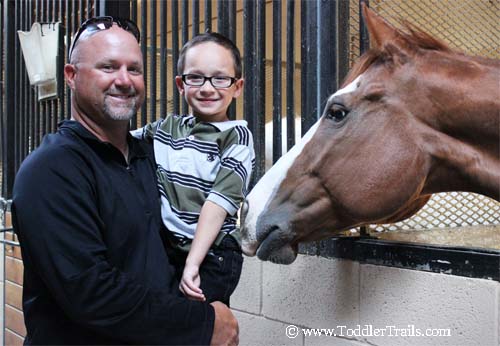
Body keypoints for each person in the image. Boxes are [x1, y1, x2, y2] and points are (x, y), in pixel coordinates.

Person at [12, 17, 238, 345]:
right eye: (108, 67)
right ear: (71, 76)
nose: (124, 80)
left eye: (134, 69)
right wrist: (203, 324)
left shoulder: (154, 156)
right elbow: (92, 293)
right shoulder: (49, 171)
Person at [132, 32, 255, 306]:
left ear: (237, 87)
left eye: (220, 79)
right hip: (170, 250)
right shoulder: (166, 129)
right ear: (180, 84)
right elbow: (122, 142)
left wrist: (193, 263)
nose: (207, 88)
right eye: (196, 77)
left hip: (212, 255)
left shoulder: (236, 138)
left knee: (201, 328)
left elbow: (216, 205)